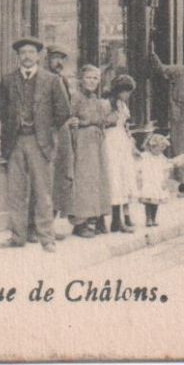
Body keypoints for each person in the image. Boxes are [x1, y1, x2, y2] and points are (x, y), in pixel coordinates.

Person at [0, 37, 71, 251]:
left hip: (41, 142)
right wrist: (14, 126)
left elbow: (63, 111)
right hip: (16, 141)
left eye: (31, 52)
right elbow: (1, 109)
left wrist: (46, 129)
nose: (27, 56)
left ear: (38, 56)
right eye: (23, 53)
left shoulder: (51, 80)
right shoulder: (8, 80)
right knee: (16, 192)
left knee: (43, 192)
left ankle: (46, 238)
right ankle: (17, 236)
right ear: (18, 57)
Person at [68, 63, 114, 238]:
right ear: (81, 79)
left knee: (98, 180)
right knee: (84, 181)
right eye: (88, 77)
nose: (92, 81)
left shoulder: (96, 99)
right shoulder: (76, 98)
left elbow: (103, 118)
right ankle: (80, 223)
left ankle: (97, 217)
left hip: (97, 142)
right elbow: (68, 119)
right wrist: (74, 123)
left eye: (96, 78)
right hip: (83, 143)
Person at [47, 46, 79, 224]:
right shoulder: (44, 80)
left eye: (61, 59)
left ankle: (60, 214)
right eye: (55, 58)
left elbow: (68, 107)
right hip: (49, 132)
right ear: (48, 60)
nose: (59, 63)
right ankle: (46, 218)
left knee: (64, 174)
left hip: (63, 132)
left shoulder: (63, 80)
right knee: (49, 175)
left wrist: (72, 119)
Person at [103, 74, 139, 234]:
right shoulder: (107, 105)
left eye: (129, 92)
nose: (127, 95)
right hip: (111, 142)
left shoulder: (123, 105)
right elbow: (104, 124)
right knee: (115, 178)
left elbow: (125, 126)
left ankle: (122, 218)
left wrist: (131, 142)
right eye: (124, 91)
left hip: (122, 142)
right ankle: (115, 220)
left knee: (125, 177)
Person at [135, 132, 173, 228]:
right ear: (151, 147)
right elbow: (138, 168)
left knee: (156, 201)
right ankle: (148, 218)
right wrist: (139, 179)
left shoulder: (162, 158)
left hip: (157, 182)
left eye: (162, 149)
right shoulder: (145, 156)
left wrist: (165, 180)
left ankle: (154, 218)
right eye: (158, 148)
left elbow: (166, 170)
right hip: (148, 181)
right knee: (148, 201)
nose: (160, 151)